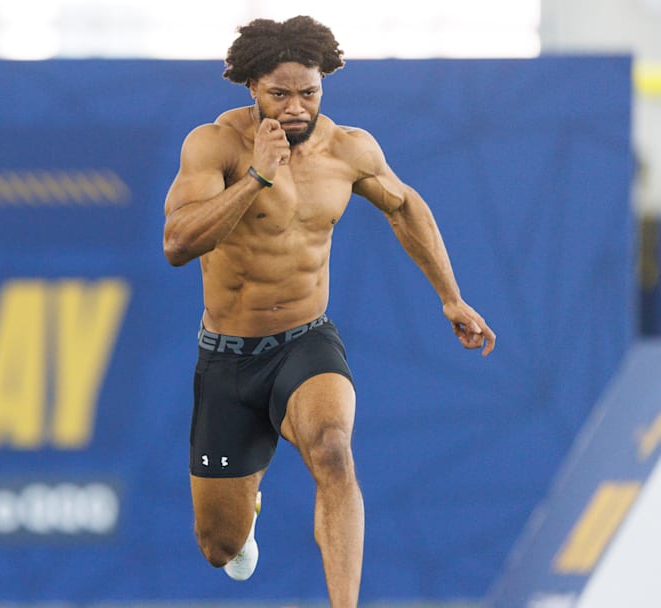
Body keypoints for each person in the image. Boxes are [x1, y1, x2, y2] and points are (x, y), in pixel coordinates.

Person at [161, 15, 496, 607]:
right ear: (251, 88)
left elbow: (403, 205)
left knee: (333, 451)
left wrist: (450, 294)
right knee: (219, 547)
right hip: (228, 358)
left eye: (308, 93)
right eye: (279, 94)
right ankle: (246, 509)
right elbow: (178, 244)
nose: (295, 108)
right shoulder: (213, 145)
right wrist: (256, 179)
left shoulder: (350, 149)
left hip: (305, 341)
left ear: (325, 86)